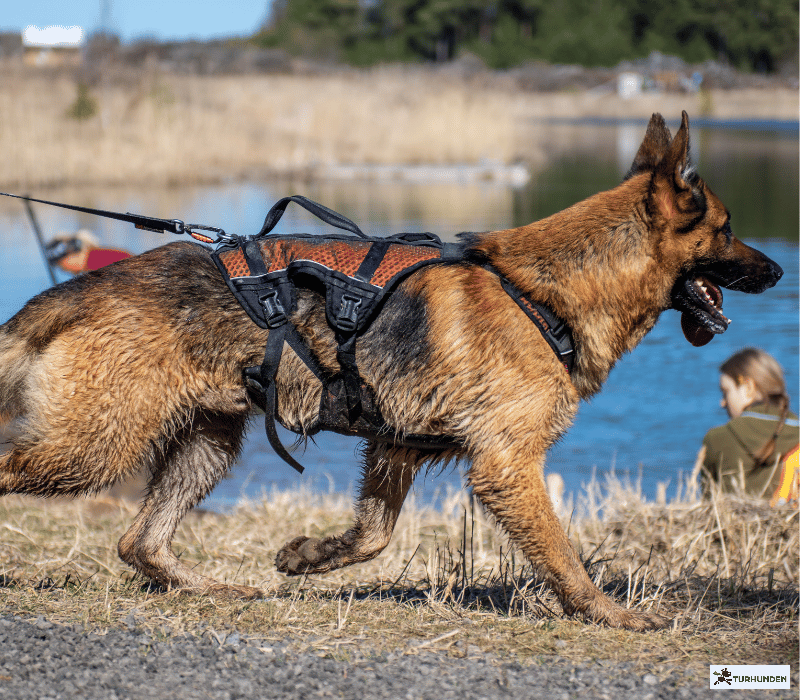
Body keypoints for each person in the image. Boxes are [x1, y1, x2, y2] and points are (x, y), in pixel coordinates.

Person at [700, 348, 799, 503]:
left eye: (726, 392)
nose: (722, 403)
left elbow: (707, 504)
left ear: (748, 387)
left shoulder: (717, 438)